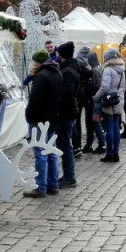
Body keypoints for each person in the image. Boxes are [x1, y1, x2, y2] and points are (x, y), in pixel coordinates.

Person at [23, 49, 62, 198]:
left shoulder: (41, 76)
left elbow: (35, 100)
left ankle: (41, 186)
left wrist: (29, 116)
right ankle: (53, 184)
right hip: (52, 117)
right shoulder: (57, 73)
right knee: (51, 151)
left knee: (40, 152)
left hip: (39, 118)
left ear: (38, 62)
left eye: (34, 61)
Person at [94, 48, 126, 163]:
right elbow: (124, 87)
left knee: (109, 128)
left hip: (109, 100)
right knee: (116, 127)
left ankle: (109, 153)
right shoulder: (122, 69)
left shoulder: (108, 69)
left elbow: (105, 87)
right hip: (119, 99)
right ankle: (116, 153)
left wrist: (96, 97)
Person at [55, 42, 79, 189]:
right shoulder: (71, 69)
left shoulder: (68, 72)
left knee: (65, 145)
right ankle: (68, 176)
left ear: (62, 55)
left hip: (65, 112)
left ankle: (69, 177)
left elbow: (67, 93)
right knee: (65, 145)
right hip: (69, 111)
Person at [80, 48, 106, 154]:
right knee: (92, 122)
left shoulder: (94, 71)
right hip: (95, 100)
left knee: (94, 122)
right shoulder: (97, 69)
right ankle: (91, 143)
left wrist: (91, 97)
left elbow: (96, 86)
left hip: (95, 100)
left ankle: (101, 143)